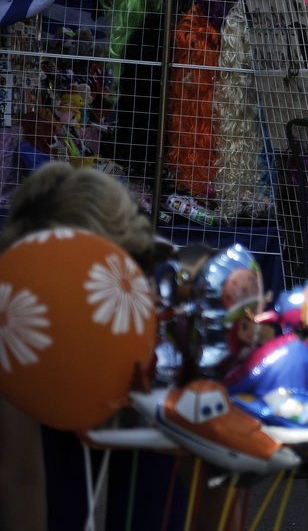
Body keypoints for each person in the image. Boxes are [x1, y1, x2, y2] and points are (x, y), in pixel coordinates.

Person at [0, 162, 179, 531]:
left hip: (152, 390)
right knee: (59, 493)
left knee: (153, 489)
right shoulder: (17, 304)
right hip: (54, 386)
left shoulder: (159, 279)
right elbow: (20, 475)